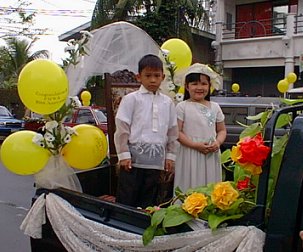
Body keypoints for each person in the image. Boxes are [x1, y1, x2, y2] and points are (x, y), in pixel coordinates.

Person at [114, 54, 178, 208]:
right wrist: (123, 155)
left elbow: (172, 131)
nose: (153, 80)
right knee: (127, 198)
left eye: (157, 75)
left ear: (163, 77)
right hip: (132, 161)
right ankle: (122, 228)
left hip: (156, 161)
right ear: (138, 77)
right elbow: (122, 128)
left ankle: (142, 229)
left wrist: (170, 156)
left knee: (149, 200)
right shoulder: (131, 99)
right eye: (148, 75)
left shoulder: (167, 102)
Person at [174, 63, 227, 192]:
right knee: (189, 186)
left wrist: (218, 142)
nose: (199, 87)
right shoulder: (182, 107)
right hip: (189, 153)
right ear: (187, 86)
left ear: (210, 86)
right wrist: (195, 145)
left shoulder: (215, 107)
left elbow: (221, 130)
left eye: (204, 84)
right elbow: (177, 132)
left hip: (210, 154)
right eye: (194, 84)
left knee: (209, 187)